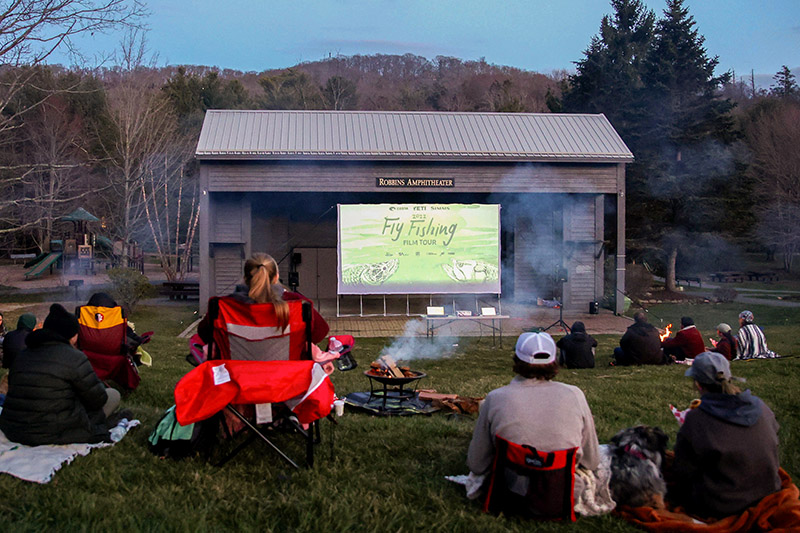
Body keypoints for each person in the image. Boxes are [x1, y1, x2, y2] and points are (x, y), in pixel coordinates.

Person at [467, 332, 600, 501]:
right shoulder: (575, 395)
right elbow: (592, 461)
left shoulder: (495, 397)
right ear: (554, 361)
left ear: (516, 359)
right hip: (561, 493)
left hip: (508, 492)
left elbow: (477, 464)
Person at [671, 351, 780, 518]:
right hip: (768, 492)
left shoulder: (697, 418)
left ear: (698, 384)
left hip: (722, 504)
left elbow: (683, 470)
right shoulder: (761, 407)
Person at [0, 304, 122, 445]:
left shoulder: (23, 355)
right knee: (113, 395)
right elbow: (97, 399)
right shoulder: (75, 357)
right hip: (53, 431)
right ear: (73, 335)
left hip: (14, 429)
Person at [198, 253, 329, 347]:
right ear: (276, 277)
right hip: (287, 379)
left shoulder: (224, 305)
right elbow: (320, 332)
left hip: (233, 379)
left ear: (245, 278)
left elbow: (204, 334)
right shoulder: (296, 303)